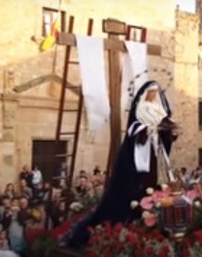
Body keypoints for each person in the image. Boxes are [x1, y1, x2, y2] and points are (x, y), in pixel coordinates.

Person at [66, 81, 178, 247]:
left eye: (156, 92)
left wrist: (170, 131)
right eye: (151, 92)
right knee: (135, 188)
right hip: (140, 158)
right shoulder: (141, 108)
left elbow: (166, 131)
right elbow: (134, 129)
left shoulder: (160, 109)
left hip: (155, 155)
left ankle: (154, 220)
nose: (154, 95)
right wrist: (148, 130)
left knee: (155, 186)